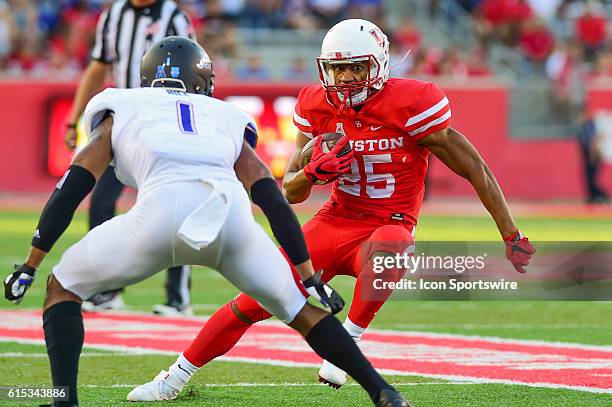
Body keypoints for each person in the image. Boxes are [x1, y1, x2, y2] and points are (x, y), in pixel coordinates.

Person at [128, 18, 536, 400]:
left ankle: (346, 345)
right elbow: (289, 190)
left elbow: (475, 168)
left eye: (356, 68)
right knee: (252, 299)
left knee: (395, 244)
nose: (345, 79)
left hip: (385, 225)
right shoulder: (317, 105)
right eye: (337, 70)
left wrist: (511, 234)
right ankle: (174, 377)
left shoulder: (412, 102)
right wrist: (312, 171)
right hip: (334, 222)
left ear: (377, 65)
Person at [3, 37, 409, 407]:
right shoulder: (226, 116)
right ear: (204, 80)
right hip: (229, 219)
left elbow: (74, 184)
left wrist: (31, 263)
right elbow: (269, 195)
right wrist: (306, 274)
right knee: (302, 311)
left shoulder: (121, 104)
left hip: (155, 217)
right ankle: (383, 391)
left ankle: (63, 402)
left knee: (63, 287)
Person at [63, 0, 195, 315]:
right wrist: (74, 117)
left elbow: (195, 71)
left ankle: (178, 298)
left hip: (164, 125)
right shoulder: (114, 16)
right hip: (125, 124)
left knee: (175, 206)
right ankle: (106, 290)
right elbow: (98, 66)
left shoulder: (174, 18)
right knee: (101, 204)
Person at [577, 109, 609, 203]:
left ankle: (602, 195)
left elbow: (593, 142)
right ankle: (592, 197)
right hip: (587, 155)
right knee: (588, 178)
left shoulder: (590, 126)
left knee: (591, 178)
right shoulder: (584, 127)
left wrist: (593, 156)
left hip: (592, 155)